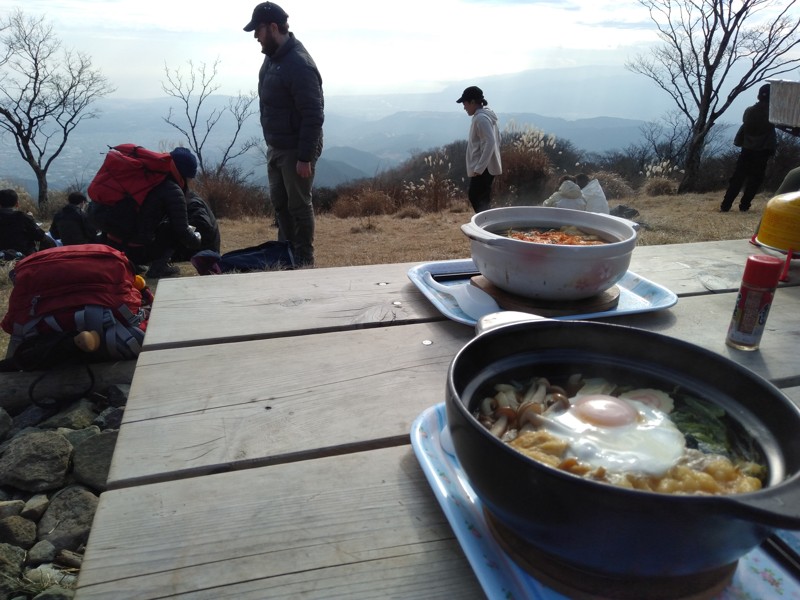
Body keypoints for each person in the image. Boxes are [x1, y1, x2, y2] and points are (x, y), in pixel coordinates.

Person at [244, 2, 324, 268]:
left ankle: (304, 260)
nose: (256, 36)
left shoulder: (299, 65)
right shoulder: (272, 59)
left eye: (258, 30)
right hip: (276, 146)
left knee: (298, 206)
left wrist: (305, 156)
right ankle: (286, 253)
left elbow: (313, 114)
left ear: (273, 27)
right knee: (280, 204)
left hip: (296, 150)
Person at [95, 147, 202, 278]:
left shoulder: (144, 178)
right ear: (183, 174)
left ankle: (132, 263)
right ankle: (158, 268)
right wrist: (197, 240)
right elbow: (181, 230)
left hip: (113, 244)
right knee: (172, 229)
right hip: (137, 250)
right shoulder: (172, 190)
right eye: (190, 177)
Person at [720, 84, 777, 212]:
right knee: (755, 179)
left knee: (738, 177)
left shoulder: (749, 111)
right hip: (763, 150)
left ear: (759, 95)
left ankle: (725, 205)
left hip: (747, 149)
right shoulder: (773, 114)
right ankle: (744, 205)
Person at [456, 86, 502, 213]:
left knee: (476, 196)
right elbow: (497, 139)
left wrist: (479, 168)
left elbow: (490, 141)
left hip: (483, 169)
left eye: (465, 103)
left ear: (472, 102)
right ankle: (487, 222)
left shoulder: (481, 119)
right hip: (486, 167)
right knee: (482, 199)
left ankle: (486, 223)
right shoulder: (487, 115)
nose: (464, 107)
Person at [0, 188, 55, 258]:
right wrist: (31, 219)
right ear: (17, 204)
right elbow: (39, 236)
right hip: (25, 256)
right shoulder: (23, 217)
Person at [172, 190, 221, 261]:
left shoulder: (193, 203)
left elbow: (203, 225)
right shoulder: (189, 199)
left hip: (202, 252)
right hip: (202, 250)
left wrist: (179, 227)